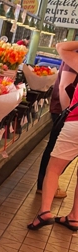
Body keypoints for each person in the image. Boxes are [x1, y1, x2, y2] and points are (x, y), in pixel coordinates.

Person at [28, 40, 78, 231]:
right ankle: (74, 217)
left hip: (75, 122)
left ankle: (44, 213)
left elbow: (61, 47)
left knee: (54, 169)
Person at [35, 60, 78, 198]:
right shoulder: (74, 56)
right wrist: (68, 114)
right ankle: (45, 185)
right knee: (56, 150)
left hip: (68, 113)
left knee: (57, 150)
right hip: (66, 112)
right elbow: (64, 86)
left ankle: (48, 184)